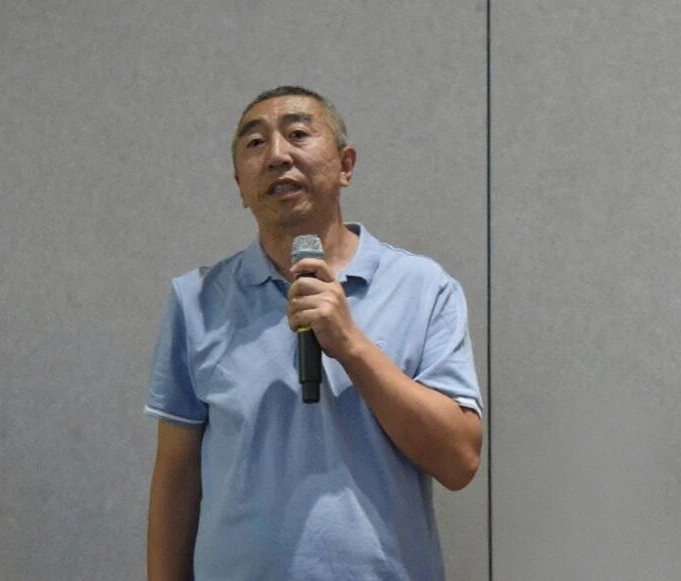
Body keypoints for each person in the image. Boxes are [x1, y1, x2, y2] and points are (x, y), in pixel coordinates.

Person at [144, 86, 484, 581]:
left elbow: (459, 461)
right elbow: (176, 479)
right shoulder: (196, 301)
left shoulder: (424, 288)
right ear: (239, 185)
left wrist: (351, 345)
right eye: (255, 143)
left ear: (346, 165)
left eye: (298, 133)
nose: (277, 155)